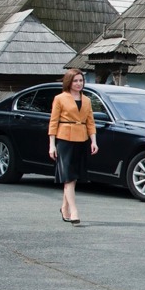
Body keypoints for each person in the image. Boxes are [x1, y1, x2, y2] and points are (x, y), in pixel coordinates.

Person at [48, 68, 98, 224]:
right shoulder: (60, 98)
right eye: (75, 80)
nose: (78, 83)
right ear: (69, 82)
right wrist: (52, 145)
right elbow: (53, 122)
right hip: (64, 139)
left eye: (81, 80)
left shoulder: (87, 100)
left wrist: (94, 141)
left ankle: (64, 207)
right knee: (68, 176)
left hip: (82, 139)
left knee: (73, 176)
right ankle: (74, 211)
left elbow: (90, 122)